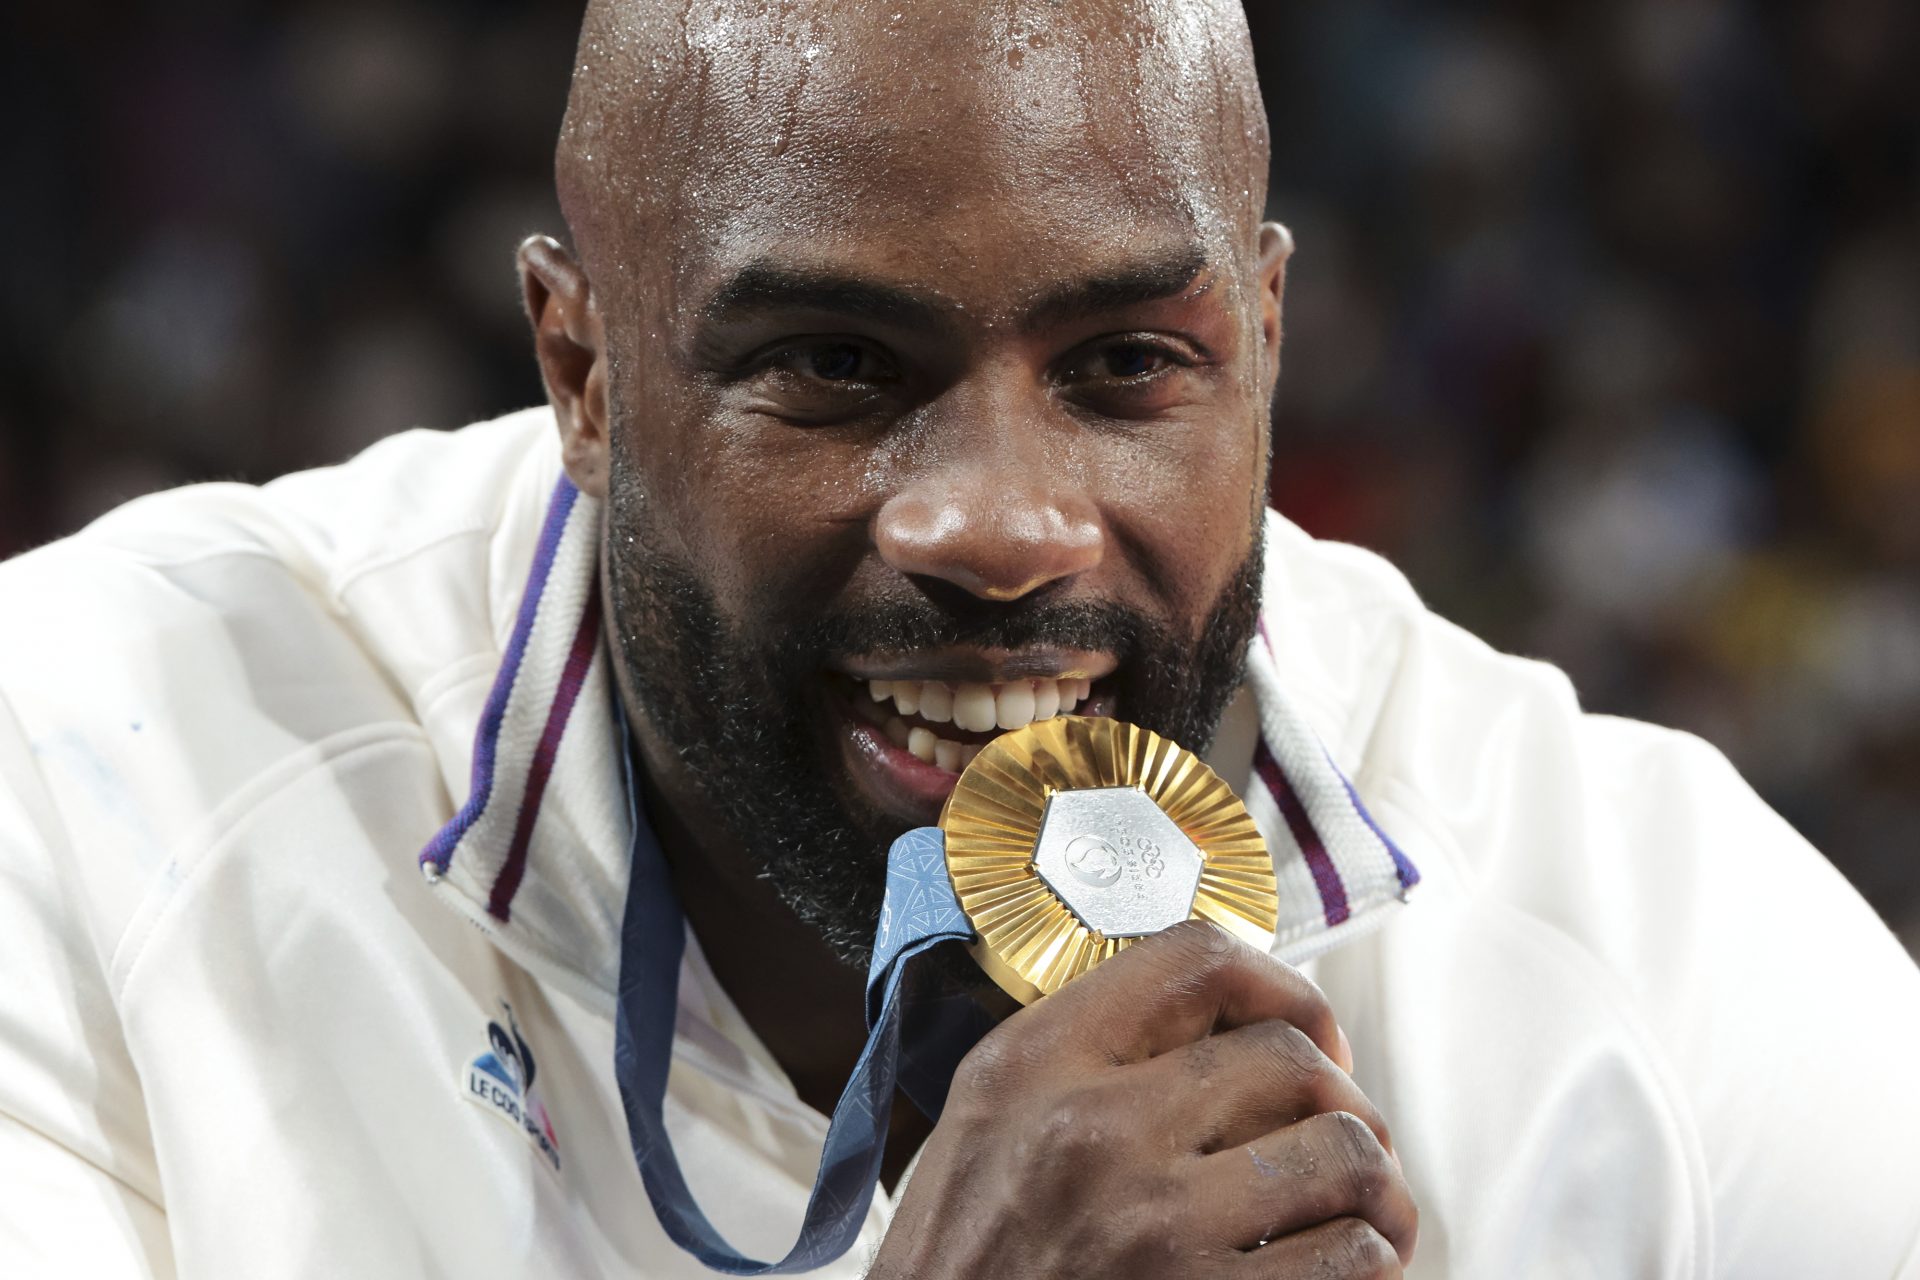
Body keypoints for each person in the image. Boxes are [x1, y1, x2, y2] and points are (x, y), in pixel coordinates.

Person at [2, 0, 1917, 1275]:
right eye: (836, 364)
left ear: (1259, 344)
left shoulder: (1656, 942)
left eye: (1123, 365)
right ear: (581, 371)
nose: (1002, 525)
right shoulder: (94, 780)